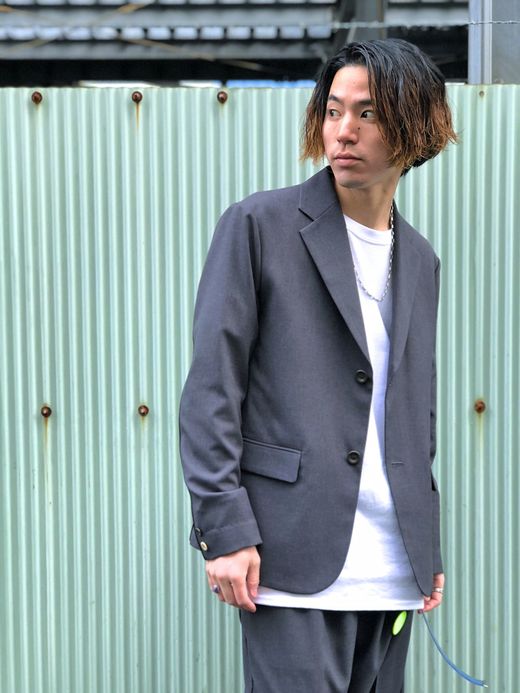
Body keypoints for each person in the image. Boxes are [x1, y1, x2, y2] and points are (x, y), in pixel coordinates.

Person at [179, 38, 457, 693]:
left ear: (415, 126)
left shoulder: (420, 259)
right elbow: (213, 389)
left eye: (367, 112)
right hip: (290, 558)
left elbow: (415, 410)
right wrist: (224, 530)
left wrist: (425, 540)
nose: (343, 130)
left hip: (393, 571)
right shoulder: (258, 226)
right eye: (334, 110)